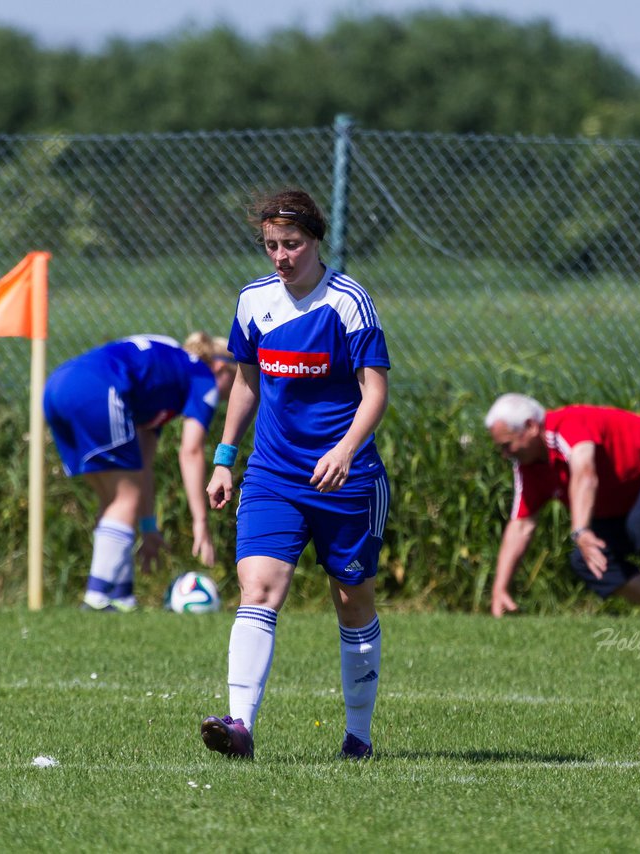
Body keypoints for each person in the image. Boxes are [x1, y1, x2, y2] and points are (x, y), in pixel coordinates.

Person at [200, 188, 390, 761]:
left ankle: (358, 736)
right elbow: (246, 382)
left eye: (292, 244)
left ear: (315, 241)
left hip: (346, 480)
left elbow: (375, 392)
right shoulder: (254, 301)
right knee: (258, 588)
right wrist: (224, 458)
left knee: (351, 602)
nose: (281, 256)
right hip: (273, 474)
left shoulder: (349, 301)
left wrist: (346, 450)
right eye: (271, 246)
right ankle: (240, 727)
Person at [42, 332, 236, 611]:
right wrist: (200, 521)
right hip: (98, 389)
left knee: (114, 500)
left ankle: (121, 597)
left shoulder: (166, 382)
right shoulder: (202, 377)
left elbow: (142, 466)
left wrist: (148, 527)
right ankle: (96, 600)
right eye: (235, 378)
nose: (232, 392)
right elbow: (190, 451)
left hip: (58, 386)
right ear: (219, 367)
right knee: (124, 499)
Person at [484, 393, 640, 621]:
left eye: (507, 445)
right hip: (630, 495)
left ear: (531, 426)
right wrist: (500, 589)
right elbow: (521, 525)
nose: (505, 455)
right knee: (587, 559)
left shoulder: (567, 424)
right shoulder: (528, 467)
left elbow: (585, 474)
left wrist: (581, 530)